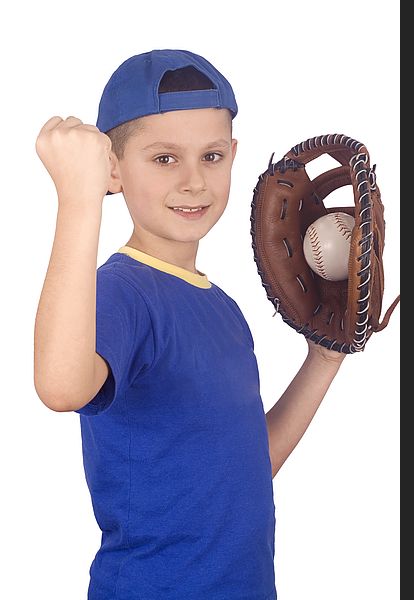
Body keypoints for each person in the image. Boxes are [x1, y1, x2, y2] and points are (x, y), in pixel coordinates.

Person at [34, 48, 345, 600]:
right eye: (163, 159)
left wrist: (324, 358)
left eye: (212, 155)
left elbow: (250, 463)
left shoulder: (222, 308)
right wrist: (79, 201)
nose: (194, 181)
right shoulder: (120, 292)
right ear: (112, 168)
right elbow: (61, 387)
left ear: (234, 156)